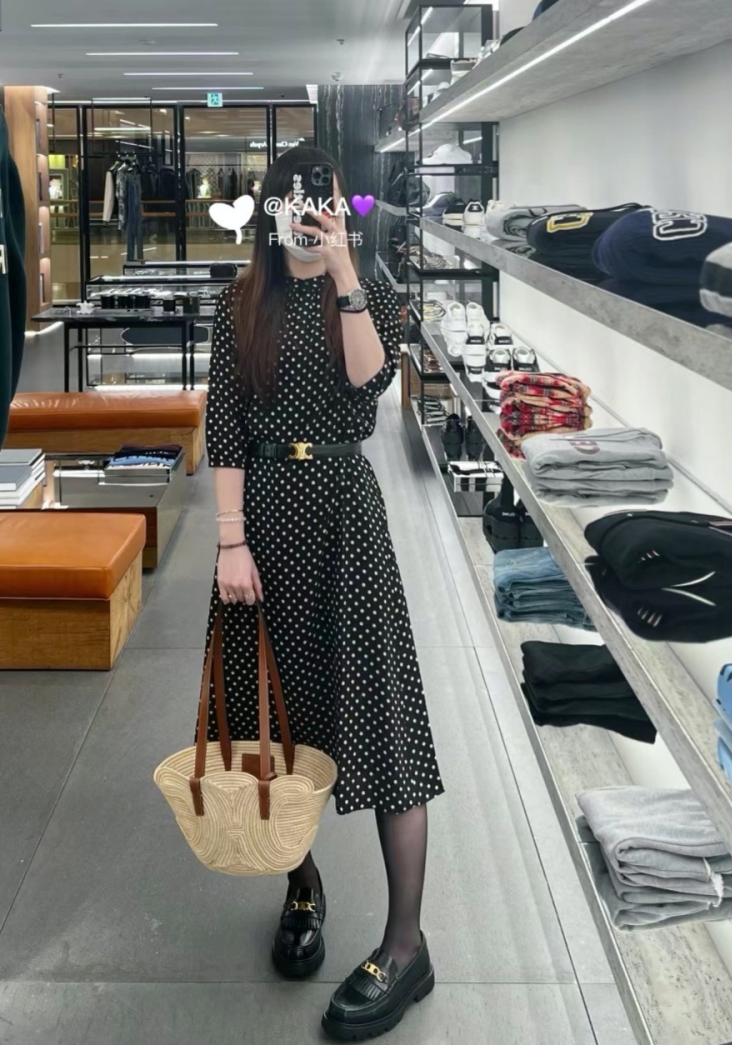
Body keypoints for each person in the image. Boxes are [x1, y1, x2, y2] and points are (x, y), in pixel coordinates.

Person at [204, 145, 444, 1042]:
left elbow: (370, 379)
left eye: (328, 203)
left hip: (346, 518)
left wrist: (344, 269)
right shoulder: (240, 303)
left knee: (382, 717)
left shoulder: (367, 288)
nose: (312, 216)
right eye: (298, 204)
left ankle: (406, 943)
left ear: (344, 208)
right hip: (264, 527)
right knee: (274, 722)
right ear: (271, 211)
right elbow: (224, 426)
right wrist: (229, 541)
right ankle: (301, 885)